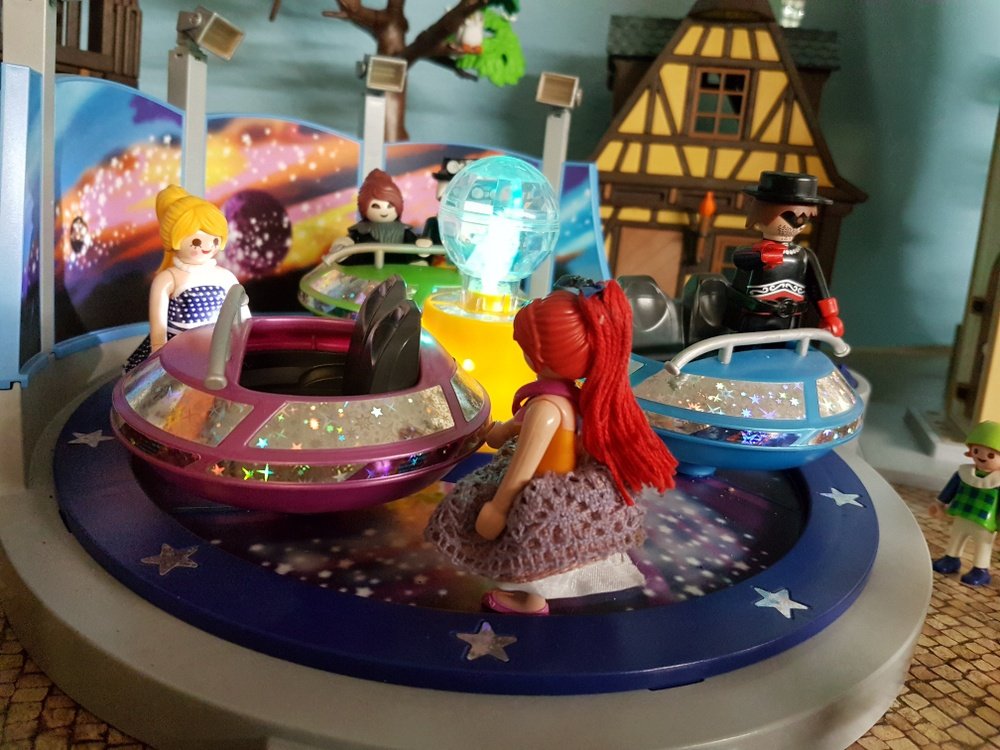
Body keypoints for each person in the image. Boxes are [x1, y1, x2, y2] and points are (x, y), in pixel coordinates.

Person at [425, 279, 677, 614]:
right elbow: (505, 434)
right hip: (557, 481)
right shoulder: (573, 398)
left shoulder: (545, 408)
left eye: (526, 348)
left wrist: (498, 509)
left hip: (541, 486)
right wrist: (492, 431)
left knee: (526, 542)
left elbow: (521, 468)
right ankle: (530, 596)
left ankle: (530, 600)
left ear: (539, 356)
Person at [124, 185, 240, 372]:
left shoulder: (225, 277)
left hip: (216, 348)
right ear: (174, 239)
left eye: (215, 240)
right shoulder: (168, 279)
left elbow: (242, 313)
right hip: (178, 349)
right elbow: (159, 328)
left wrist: (244, 340)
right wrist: (158, 353)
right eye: (196, 241)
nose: (207, 246)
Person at [725, 171, 844, 337]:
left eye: (804, 218)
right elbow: (740, 259)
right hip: (752, 318)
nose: (798, 224)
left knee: (784, 347)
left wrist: (830, 316)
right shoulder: (756, 250)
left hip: (790, 320)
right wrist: (761, 257)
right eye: (790, 217)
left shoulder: (803, 255)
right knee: (747, 348)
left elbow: (817, 287)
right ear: (762, 213)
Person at [930, 420, 1000, 587]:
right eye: (977, 451)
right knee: (957, 536)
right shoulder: (964, 473)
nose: (982, 457)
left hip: (985, 523)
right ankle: (951, 558)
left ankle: (980, 570)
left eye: (991, 455)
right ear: (970, 451)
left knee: (983, 545)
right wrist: (939, 503)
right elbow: (950, 490)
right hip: (961, 513)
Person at [335, 169, 431, 266]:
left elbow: (415, 246)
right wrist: (344, 246)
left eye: (390, 206)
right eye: (376, 206)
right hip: (366, 270)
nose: (384, 211)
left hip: (399, 270)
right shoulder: (360, 230)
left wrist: (421, 249)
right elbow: (349, 247)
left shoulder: (404, 231)